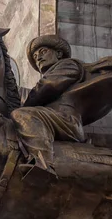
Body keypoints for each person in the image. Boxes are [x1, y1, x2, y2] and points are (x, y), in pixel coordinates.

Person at [10, 35, 85, 179]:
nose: (38, 58)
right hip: (51, 118)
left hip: (67, 121)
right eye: (36, 55)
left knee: (23, 116)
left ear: (58, 53)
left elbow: (46, 88)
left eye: (43, 52)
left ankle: (42, 165)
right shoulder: (50, 75)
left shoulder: (69, 65)